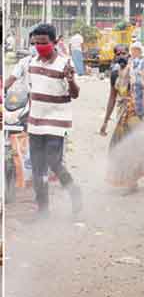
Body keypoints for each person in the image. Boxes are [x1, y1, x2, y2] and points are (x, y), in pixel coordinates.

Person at [25, 23, 82, 217]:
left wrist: (70, 79)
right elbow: (31, 90)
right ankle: (43, 210)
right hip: (35, 122)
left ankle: (74, 190)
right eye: (36, 43)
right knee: (37, 167)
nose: (39, 46)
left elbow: (75, 94)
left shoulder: (65, 64)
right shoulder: (32, 63)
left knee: (53, 161)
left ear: (54, 42)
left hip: (57, 122)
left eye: (43, 43)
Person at [100, 42, 144, 192]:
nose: (120, 56)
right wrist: (105, 121)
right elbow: (112, 97)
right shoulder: (114, 74)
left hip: (137, 113)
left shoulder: (138, 70)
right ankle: (132, 183)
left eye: (123, 53)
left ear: (129, 54)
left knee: (138, 146)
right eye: (117, 54)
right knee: (121, 148)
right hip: (122, 114)